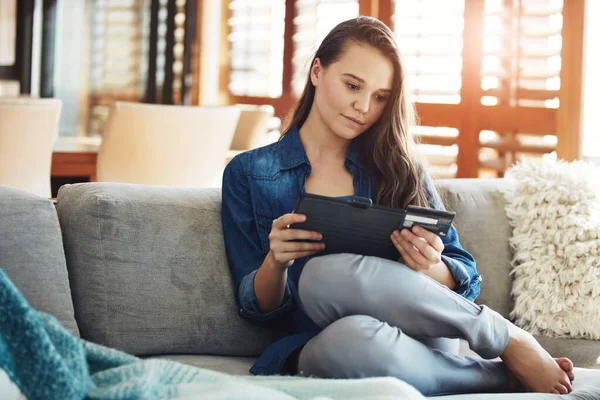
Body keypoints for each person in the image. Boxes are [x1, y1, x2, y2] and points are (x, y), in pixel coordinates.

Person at [221, 16, 575, 396]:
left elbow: (465, 280)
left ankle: (506, 338)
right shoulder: (249, 173)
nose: (362, 107)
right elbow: (254, 308)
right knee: (326, 292)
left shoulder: (400, 168)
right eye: (353, 85)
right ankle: (502, 375)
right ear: (317, 71)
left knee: (327, 274)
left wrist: (430, 266)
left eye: (380, 97)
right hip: (330, 346)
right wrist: (276, 263)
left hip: (419, 332)